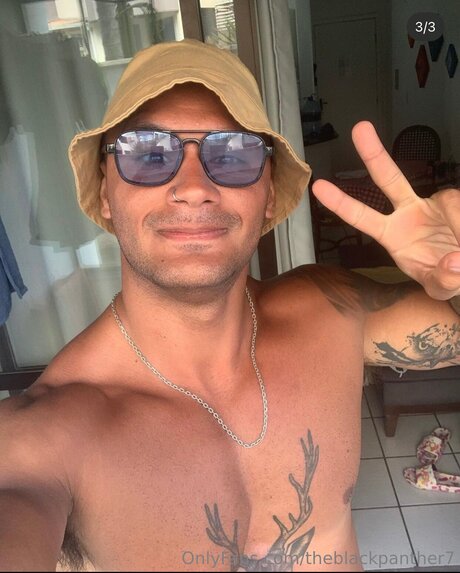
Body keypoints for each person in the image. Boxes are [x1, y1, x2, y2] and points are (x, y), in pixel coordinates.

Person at [1, 39, 460, 572]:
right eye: (148, 154)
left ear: (269, 194)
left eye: (233, 153)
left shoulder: (330, 310)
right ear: (106, 192)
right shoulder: (47, 434)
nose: (194, 188)